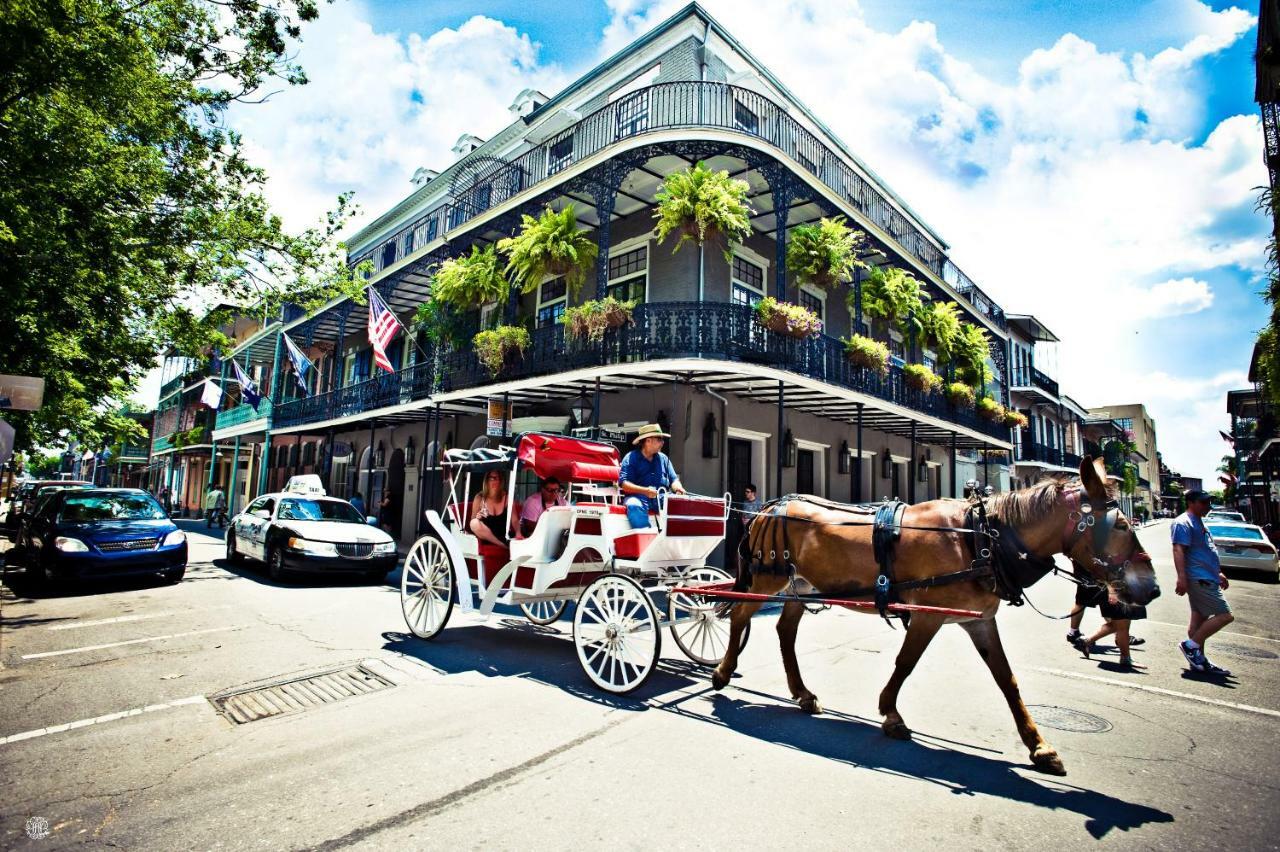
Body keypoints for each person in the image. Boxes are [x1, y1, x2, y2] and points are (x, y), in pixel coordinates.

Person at [1171, 489, 1235, 675]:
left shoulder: (1198, 521)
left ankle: (1199, 661)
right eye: (1204, 502)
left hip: (1207, 576)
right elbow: (1178, 550)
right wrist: (1181, 577)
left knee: (1197, 624)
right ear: (1191, 502)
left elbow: (1204, 551)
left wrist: (1218, 573)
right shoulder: (1183, 522)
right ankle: (1191, 646)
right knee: (1225, 615)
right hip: (1199, 579)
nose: (1208, 506)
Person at [619, 423, 685, 528]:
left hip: (661, 498)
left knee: (682, 504)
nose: (663, 442)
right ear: (648, 441)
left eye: (662, 440)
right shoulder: (631, 458)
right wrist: (645, 491)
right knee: (633, 504)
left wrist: (678, 488)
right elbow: (624, 484)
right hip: (638, 498)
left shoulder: (664, 458)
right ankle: (646, 536)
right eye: (659, 439)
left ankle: (676, 537)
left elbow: (674, 480)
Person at [470, 469, 515, 546]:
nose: (495, 481)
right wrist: (478, 517)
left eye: (497, 478)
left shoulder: (507, 497)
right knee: (474, 523)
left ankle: (502, 544)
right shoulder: (479, 498)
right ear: (486, 480)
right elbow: (472, 522)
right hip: (486, 537)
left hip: (503, 535)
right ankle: (501, 545)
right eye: (492, 478)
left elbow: (515, 520)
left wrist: (518, 533)